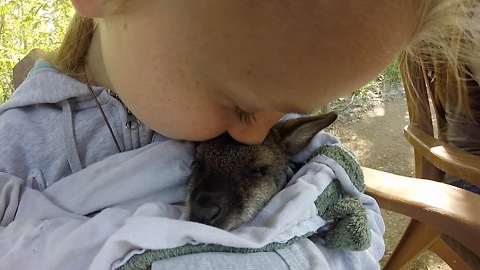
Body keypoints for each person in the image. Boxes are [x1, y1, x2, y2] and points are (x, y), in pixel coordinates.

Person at [1, 0, 479, 269]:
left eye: (283, 114)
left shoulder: (291, 146)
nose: (258, 136)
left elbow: (353, 224)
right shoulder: (20, 149)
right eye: (242, 105)